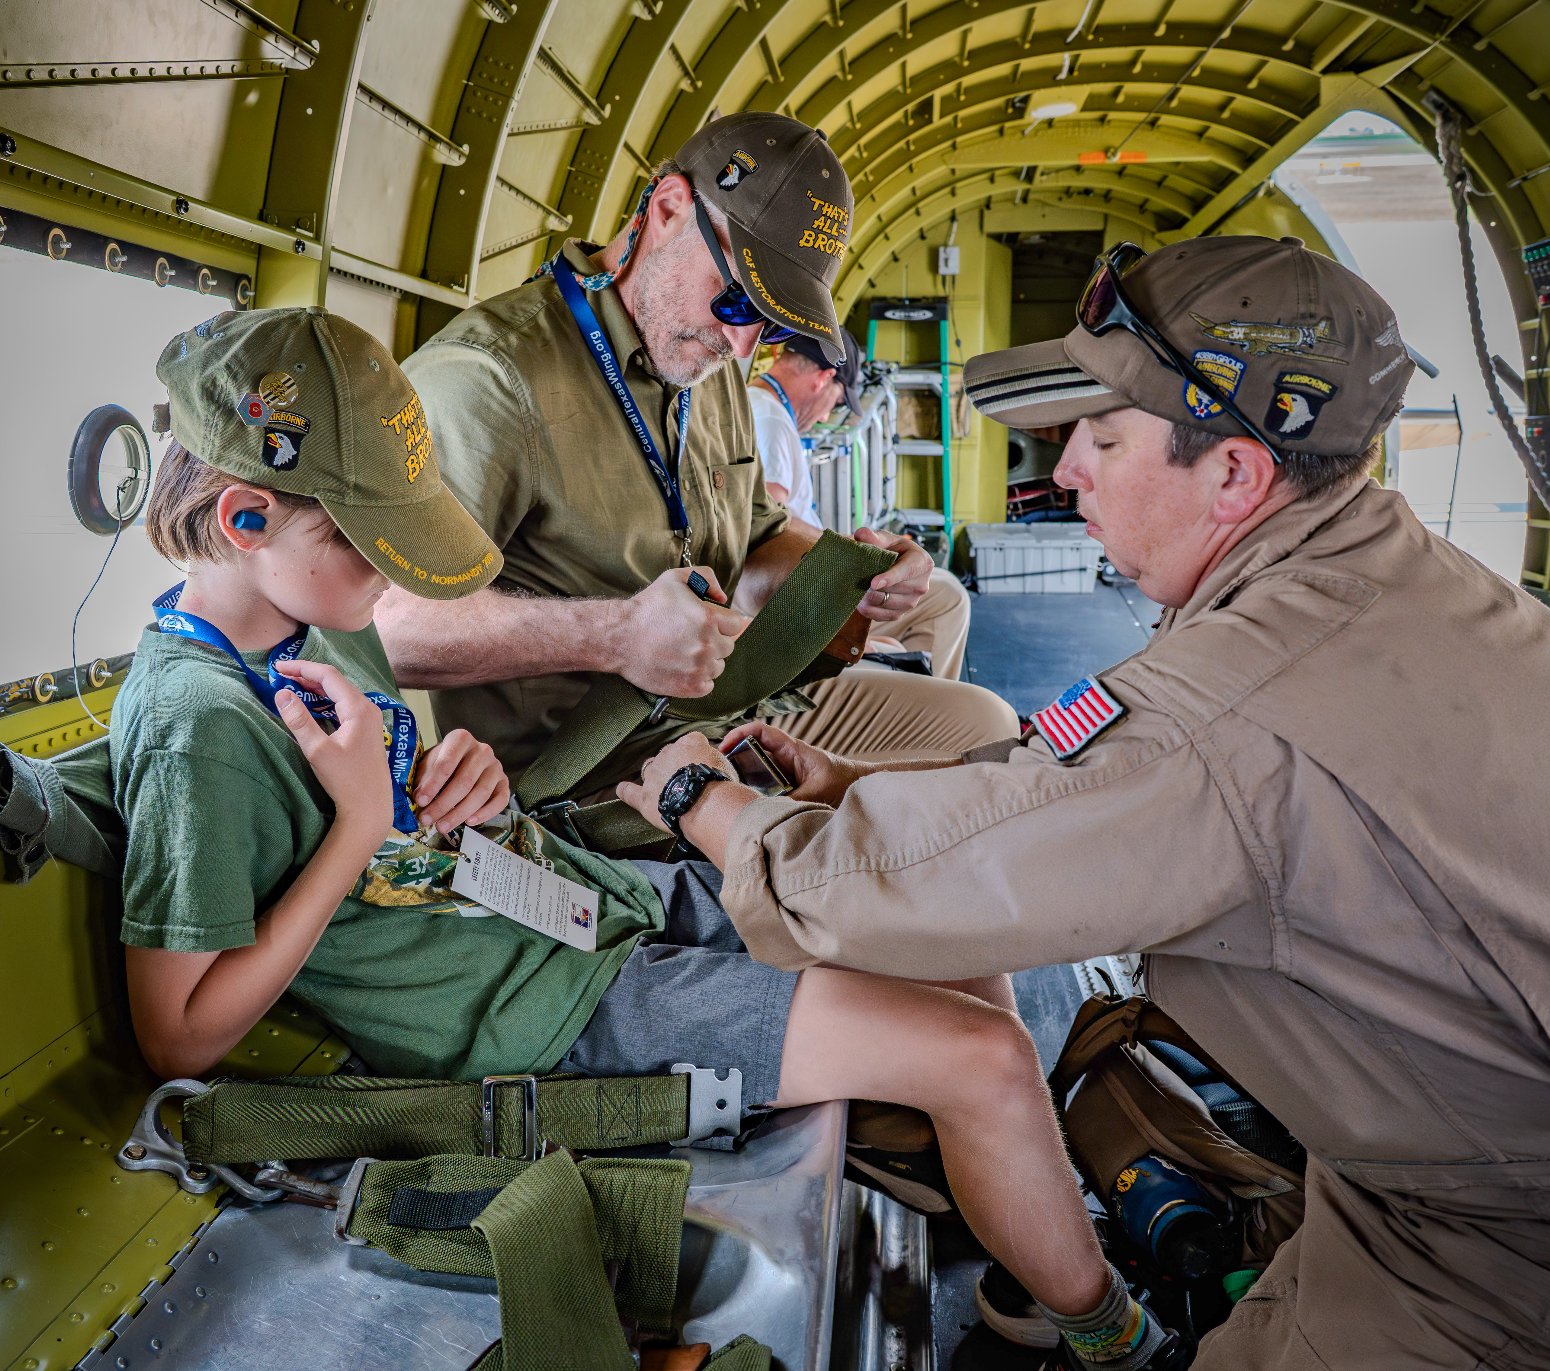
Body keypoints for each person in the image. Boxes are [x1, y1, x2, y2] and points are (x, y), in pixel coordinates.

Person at [616, 236, 1550, 1369]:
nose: (1064, 471)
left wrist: (705, 799)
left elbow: (911, 885)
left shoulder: (1247, 699)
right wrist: (858, 783)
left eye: (1102, 437)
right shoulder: (1374, 577)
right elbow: (1086, 778)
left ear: (1236, 474)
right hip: (1468, 1172)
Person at [110, 305, 1178, 1371]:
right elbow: (180, 1038)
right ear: (246, 521)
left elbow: (393, 814)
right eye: (361, 539)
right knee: (985, 1056)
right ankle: (1113, 1338)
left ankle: (1010, 1221)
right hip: (540, 1010)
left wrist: (462, 790)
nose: (389, 573)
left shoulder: (319, 627)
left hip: (569, 901)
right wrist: (356, 823)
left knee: (948, 929)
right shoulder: (193, 723)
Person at [379, 111, 1016, 801]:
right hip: (593, 769)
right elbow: (385, 622)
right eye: (738, 300)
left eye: (772, 322)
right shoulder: (490, 377)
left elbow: (758, 532)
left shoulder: (706, 371)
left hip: (725, 710)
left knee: (988, 734)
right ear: (669, 207)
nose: (743, 346)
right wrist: (614, 636)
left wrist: (856, 572)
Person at [749, 328, 974, 679]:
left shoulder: (759, 406)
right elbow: (770, 521)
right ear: (824, 379)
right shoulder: (770, 419)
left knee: (941, 593)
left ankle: (918, 685)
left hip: (805, 583)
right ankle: (932, 701)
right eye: (837, 402)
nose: (825, 417)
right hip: (802, 592)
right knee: (946, 598)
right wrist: (855, 555)